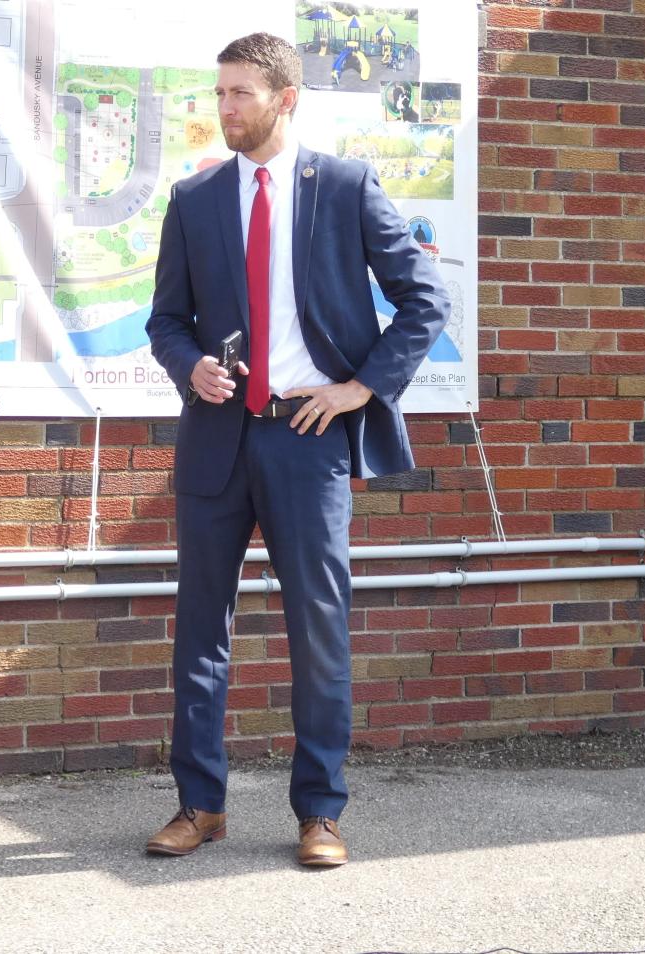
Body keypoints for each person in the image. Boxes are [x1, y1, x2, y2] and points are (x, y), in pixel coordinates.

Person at [144, 33, 447, 867]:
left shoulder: (345, 187)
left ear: (285, 98)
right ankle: (199, 806)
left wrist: (359, 388)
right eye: (219, 93)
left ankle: (320, 811)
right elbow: (165, 320)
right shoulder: (195, 198)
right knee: (200, 628)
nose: (225, 107)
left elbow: (423, 297)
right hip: (217, 439)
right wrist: (190, 365)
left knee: (318, 626)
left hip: (308, 442)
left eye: (240, 92)